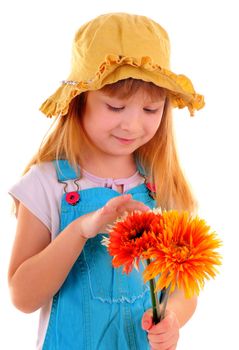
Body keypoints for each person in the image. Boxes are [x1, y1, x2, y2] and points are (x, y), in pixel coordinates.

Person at [8, 12, 204, 350]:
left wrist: (172, 318)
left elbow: (184, 286)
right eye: (115, 107)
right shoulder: (47, 184)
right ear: (79, 101)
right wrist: (80, 230)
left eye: (150, 110)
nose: (131, 125)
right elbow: (23, 297)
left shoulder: (161, 185)